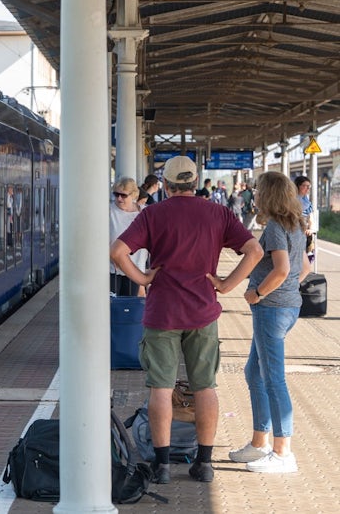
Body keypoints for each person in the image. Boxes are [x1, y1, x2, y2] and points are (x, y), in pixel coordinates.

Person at [110, 155, 263, 485]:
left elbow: (117, 251)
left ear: (165, 185)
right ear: (195, 184)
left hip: (162, 313)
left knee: (161, 389)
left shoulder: (153, 213)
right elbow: (255, 251)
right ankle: (204, 463)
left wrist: (144, 277)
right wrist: (226, 284)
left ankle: (162, 466)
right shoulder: (218, 213)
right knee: (204, 386)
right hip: (203, 313)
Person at [227, 171, 310, 474]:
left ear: (269, 195)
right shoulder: (296, 224)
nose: (255, 195)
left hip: (271, 309)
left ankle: (283, 452)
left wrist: (258, 292)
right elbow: (305, 267)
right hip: (287, 307)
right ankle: (260, 442)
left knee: (273, 378)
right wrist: (287, 291)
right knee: (254, 372)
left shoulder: (275, 227)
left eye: (259, 190)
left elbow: (282, 269)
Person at [109, 177, 147, 296]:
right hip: (112, 269)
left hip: (135, 270)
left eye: (123, 195)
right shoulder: (109, 211)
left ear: (134, 195)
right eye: (116, 194)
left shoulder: (144, 212)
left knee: (130, 307)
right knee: (112, 307)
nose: (119, 198)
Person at [294, 176, 314, 258]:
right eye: (305, 186)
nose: (307, 188)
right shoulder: (292, 200)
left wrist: (310, 228)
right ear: (298, 186)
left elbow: (310, 216)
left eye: (309, 186)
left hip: (305, 232)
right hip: (295, 231)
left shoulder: (306, 200)